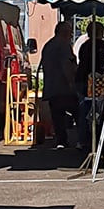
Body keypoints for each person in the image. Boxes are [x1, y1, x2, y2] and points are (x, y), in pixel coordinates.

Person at [41, 21, 82, 150]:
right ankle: (82, 140)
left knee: (57, 116)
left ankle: (61, 141)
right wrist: (71, 83)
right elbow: (67, 66)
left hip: (51, 87)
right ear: (64, 32)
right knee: (78, 113)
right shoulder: (64, 46)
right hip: (64, 87)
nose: (71, 35)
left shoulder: (48, 45)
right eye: (70, 32)